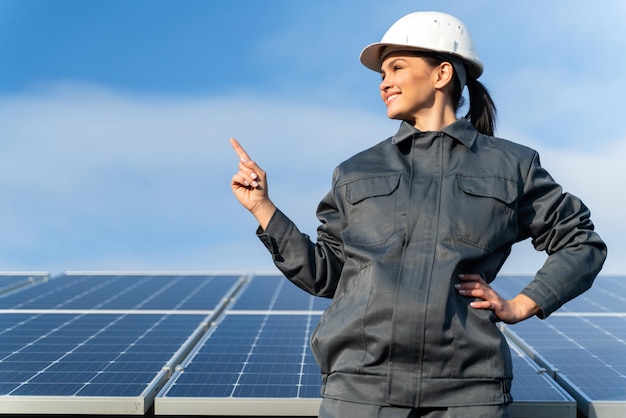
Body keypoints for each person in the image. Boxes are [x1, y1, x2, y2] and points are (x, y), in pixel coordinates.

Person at [230, 11, 607, 418]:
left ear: (442, 73)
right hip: (360, 388)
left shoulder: (511, 165)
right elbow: (329, 275)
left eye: (397, 68)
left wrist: (521, 305)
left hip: (468, 391)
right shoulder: (355, 171)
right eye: (381, 75)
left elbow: (580, 242)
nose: (384, 83)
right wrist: (263, 208)